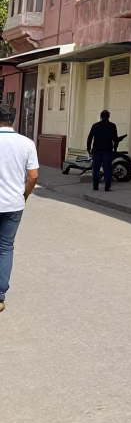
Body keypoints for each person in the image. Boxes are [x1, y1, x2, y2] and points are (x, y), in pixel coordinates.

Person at [0, 101, 39, 313]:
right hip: (13, 204)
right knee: (5, 247)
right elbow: (33, 176)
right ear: (13, 119)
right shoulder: (26, 143)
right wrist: (24, 194)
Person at [87, 110, 119, 191]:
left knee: (96, 169)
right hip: (107, 151)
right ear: (109, 116)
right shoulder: (112, 126)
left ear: (101, 116)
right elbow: (116, 140)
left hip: (96, 151)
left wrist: (88, 149)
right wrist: (115, 150)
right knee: (108, 169)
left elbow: (90, 138)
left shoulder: (95, 126)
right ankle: (107, 186)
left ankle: (95, 186)